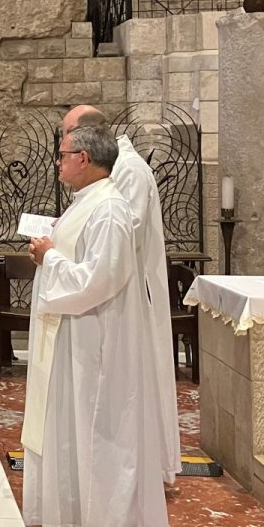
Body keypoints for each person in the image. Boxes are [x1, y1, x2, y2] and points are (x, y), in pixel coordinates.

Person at [23, 125, 171, 527]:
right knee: (79, 433)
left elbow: (98, 279)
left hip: (99, 344)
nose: (58, 161)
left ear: (84, 158)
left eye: (63, 154)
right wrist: (52, 246)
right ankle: (81, 523)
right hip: (78, 337)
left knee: (101, 436)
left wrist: (49, 256)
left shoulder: (108, 209)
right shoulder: (88, 203)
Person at [63, 104, 180, 485]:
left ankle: (138, 475)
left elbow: (119, 232)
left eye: (65, 140)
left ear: (87, 144)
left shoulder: (126, 170)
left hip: (121, 296)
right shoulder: (114, 170)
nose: (60, 151)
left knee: (126, 396)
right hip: (104, 288)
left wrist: (57, 255)